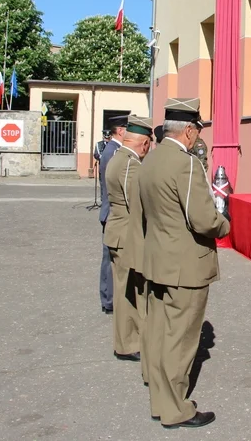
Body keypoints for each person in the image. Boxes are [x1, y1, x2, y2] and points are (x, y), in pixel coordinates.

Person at [139, 98, 229, 429]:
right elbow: (204, 219)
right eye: (198, 131)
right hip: (185, 266)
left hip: (158, 259)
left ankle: (161, 400)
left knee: (161, 334)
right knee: (181, 339)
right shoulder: (186, 163)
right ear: (189, 131)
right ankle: (176, 409)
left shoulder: (149, 160)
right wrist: (225, 223)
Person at [103, 115, 153, 369]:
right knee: (132, 293)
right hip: (126, 235)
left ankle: (125, 342)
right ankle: (129, 344)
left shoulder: (116, 158)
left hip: (116, 230)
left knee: (124, 292)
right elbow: (138, 205)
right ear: (144, 143)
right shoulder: (131, 165)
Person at [98, 116, 128, 314]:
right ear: (121, 131)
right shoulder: (114, 152)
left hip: (108, 210)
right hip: (112, 211)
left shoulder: (110, 149)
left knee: (109, 258)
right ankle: (109, 300)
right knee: (110, 259)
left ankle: (108, 298)